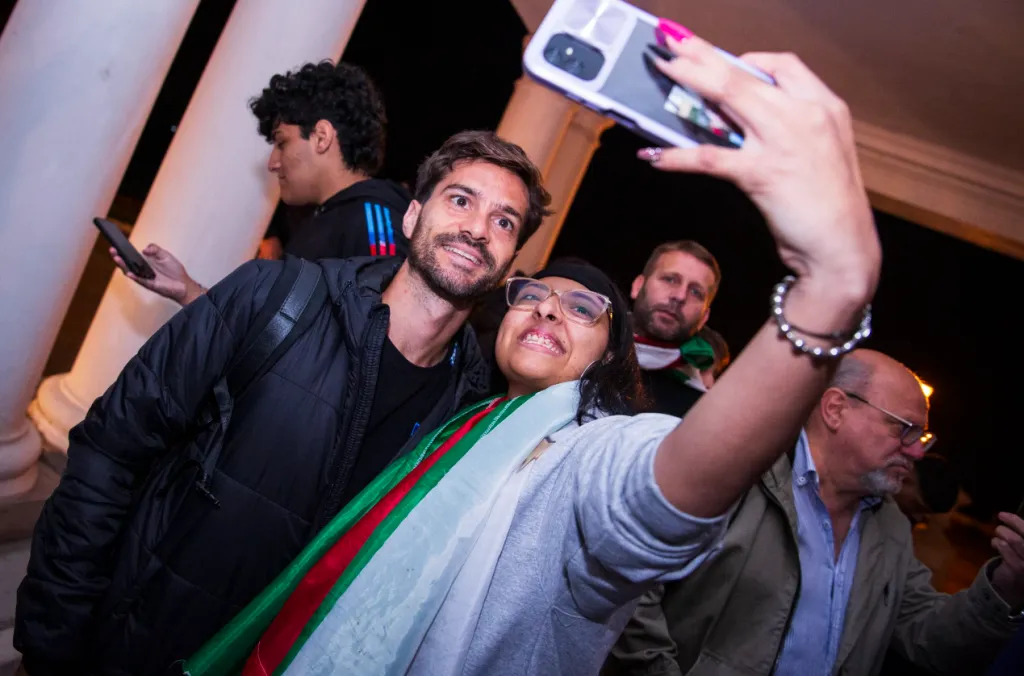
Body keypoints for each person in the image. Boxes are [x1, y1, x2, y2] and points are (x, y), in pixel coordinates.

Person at [180, 32, 884, 676]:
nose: (549, 307)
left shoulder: (582, 456)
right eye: (534, 296)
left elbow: (664, 489)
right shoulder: (462, 421)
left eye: (583, 310)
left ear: (610, 357)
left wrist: (829, 288)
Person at [14, 130, 550, 675]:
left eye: (504, 221)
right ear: (412, 218)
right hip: (133, 647)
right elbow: (111, 446)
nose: (478, 229)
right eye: (461, 200)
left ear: (510, 260)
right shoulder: (276, 295)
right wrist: (55, 633)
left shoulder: (469, 412)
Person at [609, 349, 1024, 676]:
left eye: (923, 437)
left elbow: (930, 641)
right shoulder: (738, 474)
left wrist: (1004, 588)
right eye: (905, 429)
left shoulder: (892, 527)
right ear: (836, 409)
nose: (917, 451)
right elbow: (628, 586)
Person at [114, 60, 412, 306]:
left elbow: (378, 350)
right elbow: (271, 332)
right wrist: (187, 289)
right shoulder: (324, 220)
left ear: (322, 137)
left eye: (282, 143)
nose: (273, 162)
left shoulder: (375, 224)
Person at [630, 240, 721, 415]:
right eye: (670, 279)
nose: (680, 296)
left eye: (696, 292)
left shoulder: (700, 412)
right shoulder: (583, 355)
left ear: (704, 317)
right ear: (638, 286)